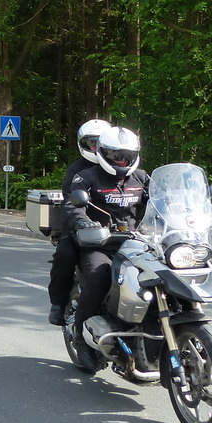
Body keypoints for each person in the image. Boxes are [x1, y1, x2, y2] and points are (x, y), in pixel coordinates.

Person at [62, 126, 151, 368]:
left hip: (137, 244)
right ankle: (81, 337)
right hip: (99, 245)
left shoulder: (142, 177)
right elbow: (72, 205)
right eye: (115, 154)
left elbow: (163, 200)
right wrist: (84, 221)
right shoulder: (86, 177)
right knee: (100, 278)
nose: (121, 160)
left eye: (126, 155)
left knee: (160, 278)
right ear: (102, 152)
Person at [47, 119, 111, 326]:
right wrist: (83, 223)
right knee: (65, 254)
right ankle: (58, 303)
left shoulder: (125, 169)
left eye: (99, 143)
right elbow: (70, 201)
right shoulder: (77, 170)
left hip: (116, 230)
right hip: (81, 227)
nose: (95, 148)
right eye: (91, 143)